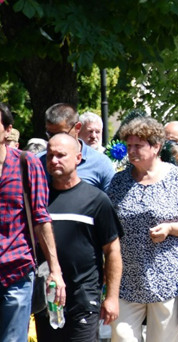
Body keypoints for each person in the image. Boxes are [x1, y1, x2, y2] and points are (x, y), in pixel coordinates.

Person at [107, 116, 178, 341]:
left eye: (138, 146)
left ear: (156, 146)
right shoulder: (118, 182)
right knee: (122, 337)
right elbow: (108, 226)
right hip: (126, 278)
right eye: (129, 145)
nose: (131, 151)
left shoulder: (177, 178)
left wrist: (171, 228)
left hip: (167, 277)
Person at [35, 133, 122, 342]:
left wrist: (111, 297)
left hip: (83, 298)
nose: (54, 160)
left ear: (78, 158)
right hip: (47, 297)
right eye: (50, 156)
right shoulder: (39, 198)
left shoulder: (97, 200)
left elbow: (112, 251)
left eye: (61, 155)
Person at [0, 102, 65, 342]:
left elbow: (41, 218)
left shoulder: (26, 164)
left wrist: (54, 271)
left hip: (16, 269)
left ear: (8, 130)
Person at [40, 103, 115, 192]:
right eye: (50, 134)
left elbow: (111, 202)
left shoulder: (100, 163)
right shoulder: (38, 162)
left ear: (77, 127)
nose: (56, 139)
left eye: (61, 133)